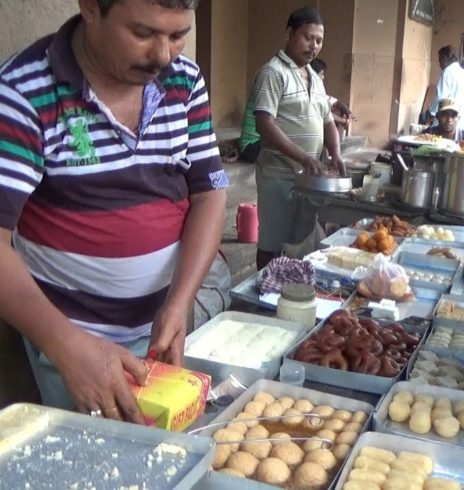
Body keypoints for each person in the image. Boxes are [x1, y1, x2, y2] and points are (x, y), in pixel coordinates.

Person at [0, 0, 227, 422]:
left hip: (164, 329)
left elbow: (209, 194)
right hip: (73, 343)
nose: (162, 55)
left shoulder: (184, 81)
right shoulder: (22, 92)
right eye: (142, 33)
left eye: (178, 35)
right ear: (90, 8)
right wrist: (66, 346)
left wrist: (179, 303)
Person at [240, 7, 345, 270]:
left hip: (307, 177)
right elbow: (265, 124)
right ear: (289, 34)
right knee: (272, 244)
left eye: (319, 40)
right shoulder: (272, 73)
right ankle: (262, 290)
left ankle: (288, 287)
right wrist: (304, 157)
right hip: (278, 175)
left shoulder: (314, 77)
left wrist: (335, 153)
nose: (314, 46)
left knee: (299, 241)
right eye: (308, 37)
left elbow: (328, 121)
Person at [428, 45, 464, 133]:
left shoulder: (447, 72)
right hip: (463, 125)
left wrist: (430, 112)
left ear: (444, 59)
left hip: (448, 126)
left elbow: (440, 98)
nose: (440, 65)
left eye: (440, 60)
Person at [309, 58, 354, 135]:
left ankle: (335, 144)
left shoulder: (318, 89)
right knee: (336, 115)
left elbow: (335, 101)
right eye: (321, 74)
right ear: (313, 74)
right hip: (311, 126)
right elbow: (324, 114)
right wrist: (343, 120)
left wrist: (348, 113)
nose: (323, 77)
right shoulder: (309, 90)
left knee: (340, 111)